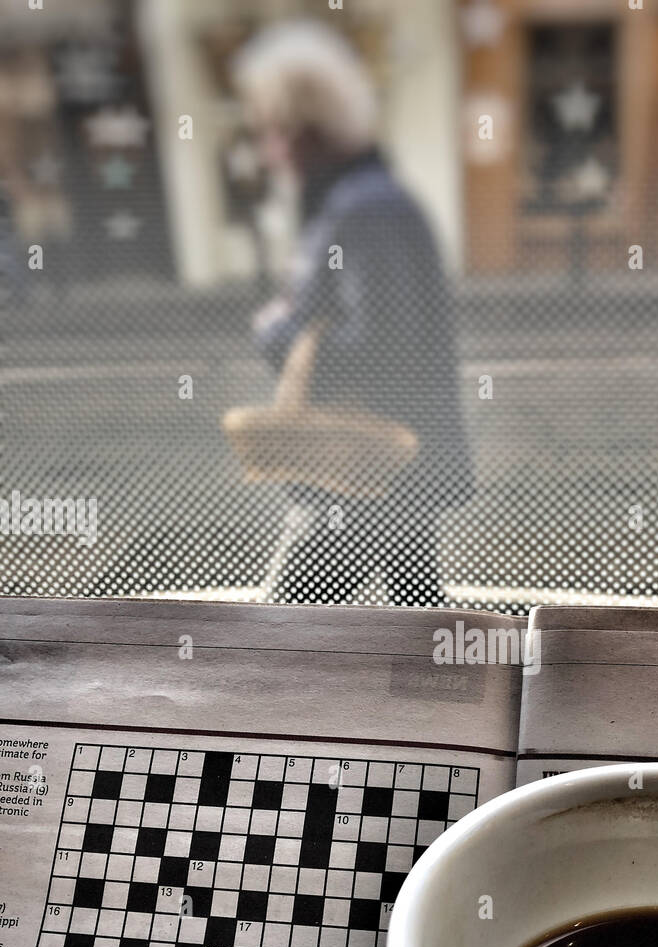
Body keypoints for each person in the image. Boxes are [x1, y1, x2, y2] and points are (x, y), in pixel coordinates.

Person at [233, 22, 471, 605]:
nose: (267, 149)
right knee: (423, 635)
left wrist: (277, 331)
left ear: (299, 129)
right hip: (392, 464)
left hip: (358, 473)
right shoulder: (369, 200)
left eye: (269, 129)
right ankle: (447, 692)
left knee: (281, 647)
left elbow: (381, 346)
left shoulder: (363, 210)